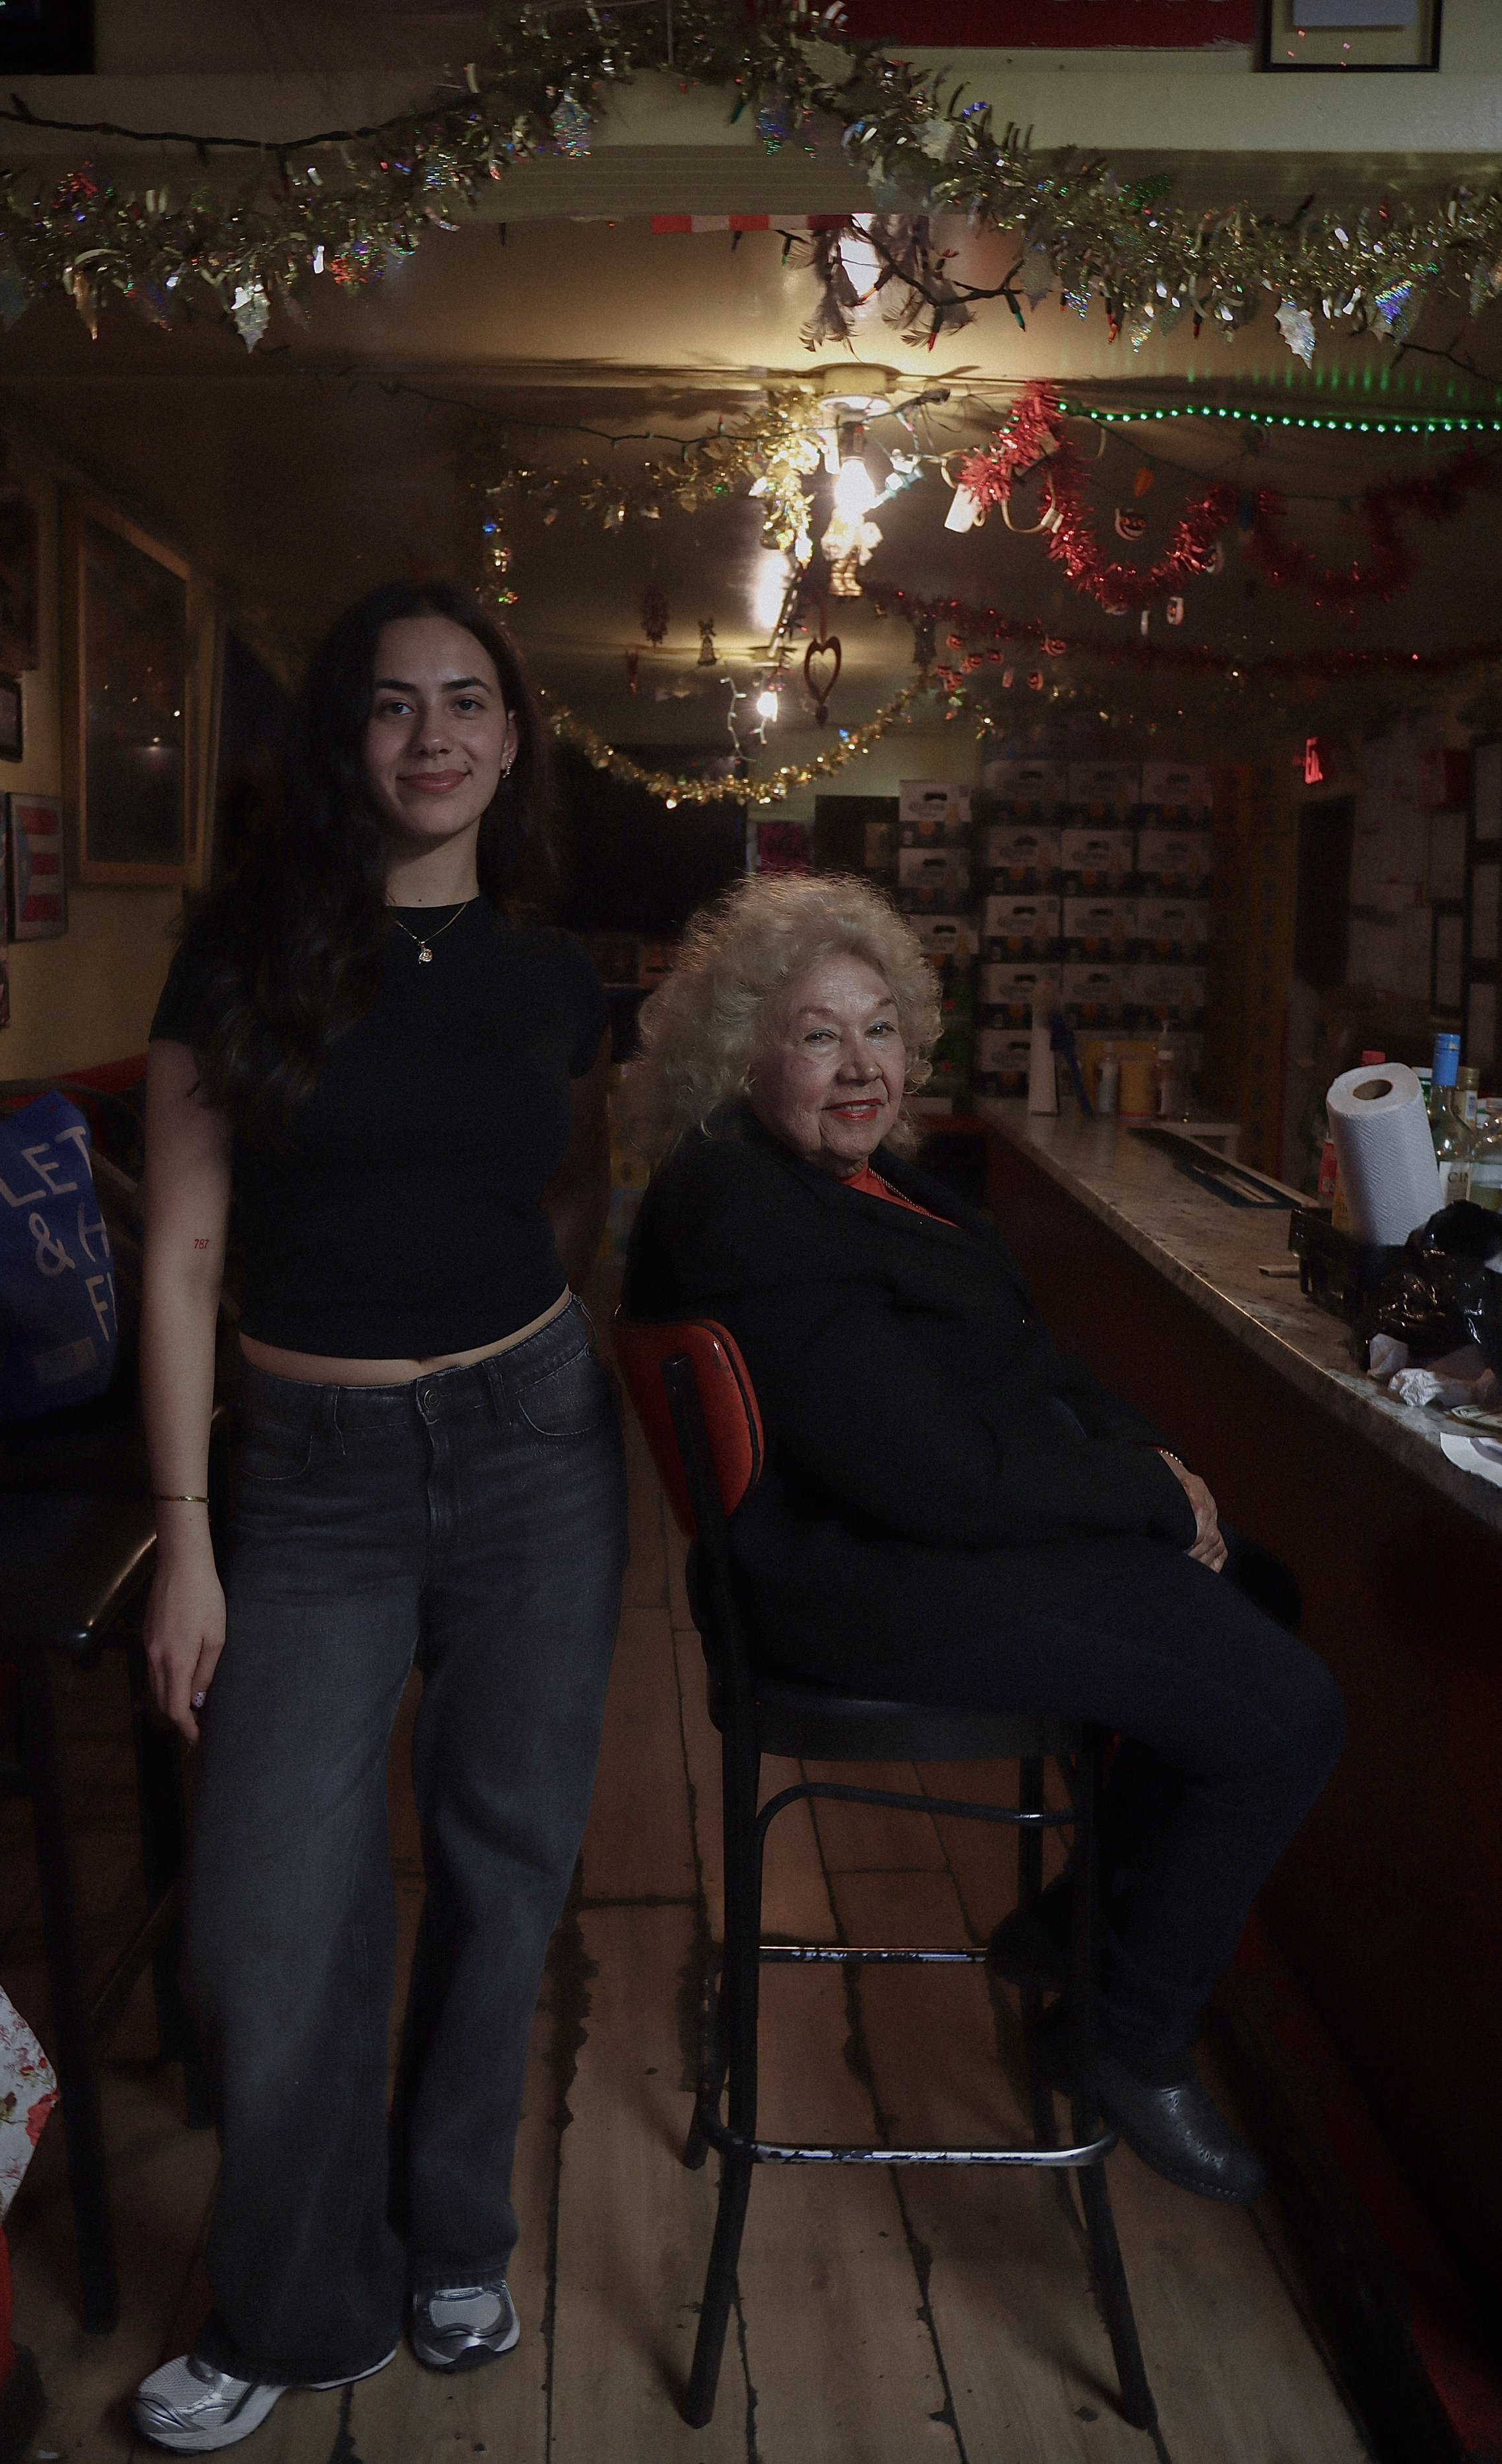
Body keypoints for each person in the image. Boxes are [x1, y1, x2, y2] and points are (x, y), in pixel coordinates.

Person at [620, 872, 1343, 2202]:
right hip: (860, 1584)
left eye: (879, 1028)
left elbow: (1019, 1368)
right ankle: (1125, 2035)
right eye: (815, 1033)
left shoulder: (869, 1185)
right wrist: (1138, 1496)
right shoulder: (738, 1203)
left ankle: (1065, 1927)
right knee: (1285, 1715)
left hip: (914, 1541)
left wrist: (1160, 1471)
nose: (859, 1065)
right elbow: (932, 1477)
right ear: (739, 1051)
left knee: (1261, 1583)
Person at [131, 580, 627, 2451]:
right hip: (308, 1482)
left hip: (532, 1455)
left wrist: (515, 1351)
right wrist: (186, 1527)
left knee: (504, 1868)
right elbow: (181, 1252)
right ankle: (292, 2293)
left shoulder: (549, 975)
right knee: (269, 1910)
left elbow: (574, 1193)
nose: (431, 735)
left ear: (511, 741)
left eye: (467, 702)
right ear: (343, 742)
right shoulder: (238, 953)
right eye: (392, 705)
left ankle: (449, 2230)